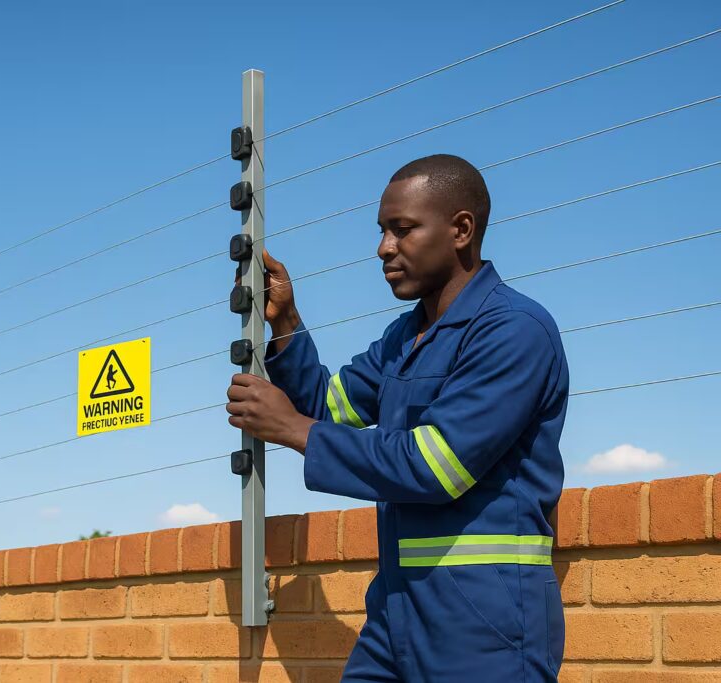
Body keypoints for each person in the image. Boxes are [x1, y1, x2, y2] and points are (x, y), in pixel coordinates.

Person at [226, 154, 568, 682]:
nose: (383, 248)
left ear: (461, 230)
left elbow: (437, 466)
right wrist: (287, 323)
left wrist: (292, 430)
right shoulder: (404, 338)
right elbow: (327, 407)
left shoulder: (514, 330)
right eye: (383, 231)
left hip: (486, 620)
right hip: (396, 611)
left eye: (402, 230)